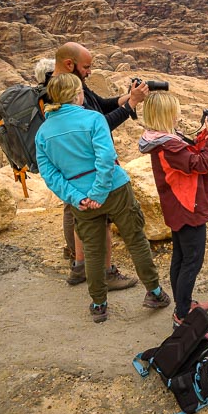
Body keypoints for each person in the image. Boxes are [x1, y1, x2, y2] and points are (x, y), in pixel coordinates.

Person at [34, 73, 171, 323]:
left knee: (93, 251)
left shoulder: (43, 133)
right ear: (76, 94)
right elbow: (106, 158)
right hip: (114, 189)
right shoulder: (93, 119)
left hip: (81, 200)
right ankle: (154, 292)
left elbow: (50, 174)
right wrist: (98, 192)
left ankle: (99, 305)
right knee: (135, 240)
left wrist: (77, 197)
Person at [47, 43, 150, 289]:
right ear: (70, 64)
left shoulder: (72, 86)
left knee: (77, 213)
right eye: (87, 67)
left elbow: (100, 105)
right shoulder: (63, 90)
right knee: (98, 219)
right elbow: (99, 123)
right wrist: (131, 106)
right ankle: (105, 274)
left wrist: (127, 97)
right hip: (87, 170)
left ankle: (80, 267)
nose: (90, 72)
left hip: (75, 172)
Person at [138, 92, 208, 325]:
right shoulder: (168, 145)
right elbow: (202, 163)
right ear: (166, 115)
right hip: (188, 207)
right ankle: (183, 315)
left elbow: (191, 152)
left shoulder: (164, 139)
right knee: (191, 261)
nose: (179, 115)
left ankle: (183, 303)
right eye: (175, 111)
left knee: (181, 257)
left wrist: (206, 133)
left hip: (178, 206)